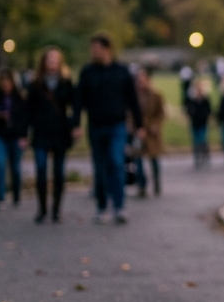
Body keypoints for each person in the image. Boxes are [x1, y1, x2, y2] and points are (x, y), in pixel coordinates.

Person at [74, 34, 143, 225]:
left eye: (96, 48)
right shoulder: (87, 73)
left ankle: (119, 206)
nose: (93, 52)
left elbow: (132, 100)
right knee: (99, 167)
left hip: (116, 125)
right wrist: (76, 123)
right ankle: (102, 206)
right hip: (96, 125)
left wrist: (139, 125)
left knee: (116, 161)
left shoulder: (121, 72)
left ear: (106, 49)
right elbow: (79, 100)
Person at [27, 48, 75, 223]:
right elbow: (28, 110)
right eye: (50, 59)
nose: (52, 63)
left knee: (59, 173)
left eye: (56, 60)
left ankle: (56, 209)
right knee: (41, 170)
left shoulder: (66, 82)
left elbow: (73, 106)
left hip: (60, 133)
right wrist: (25, 132)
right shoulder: (36, 84)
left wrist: (73, 125)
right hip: (41, 132)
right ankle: (42, 209)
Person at [0, 69, 28, 210]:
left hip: (15, 137)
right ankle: (0, 197)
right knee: (0, 165)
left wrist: (23, 136)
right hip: (0, 136)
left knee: (15, 168)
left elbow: (25, 119)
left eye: (7, 81)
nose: (5, 84)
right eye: (3, 82)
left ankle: (16, 194)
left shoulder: (19, 99)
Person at [130, 67, 165, 197]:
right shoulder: (133, 96)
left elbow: (161, 113)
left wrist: (156, 125)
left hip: (151, 131)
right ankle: (142, 186)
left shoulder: (156, 95)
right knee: (137, 160)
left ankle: (156, 183)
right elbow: (129, 114)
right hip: (138, 131)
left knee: (154, 158)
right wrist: (134, 128)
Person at [185, 79, 212, 168]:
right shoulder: (192, 101)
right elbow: (188, 111)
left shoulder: (205, 100)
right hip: (194, 123)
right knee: (195, 141)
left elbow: (209, 110)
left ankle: (205, 154)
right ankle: (197, 157)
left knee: (202, 140)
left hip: (203, 123)